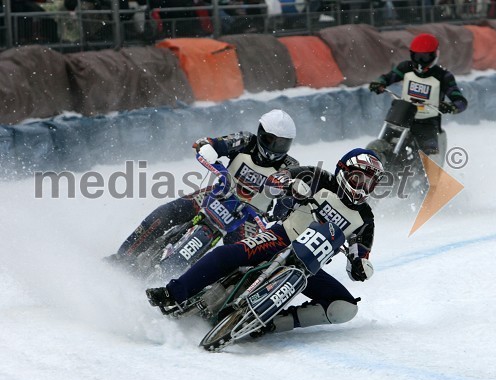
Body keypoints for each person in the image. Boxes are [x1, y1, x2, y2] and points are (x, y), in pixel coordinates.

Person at [146, 148, 384, 336]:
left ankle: (273, 324)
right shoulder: (318, 177)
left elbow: (359, 254)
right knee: (227, 255)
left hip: (308, 267)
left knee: (345, 307)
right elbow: (274, 181)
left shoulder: (365, 219)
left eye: (369, 183)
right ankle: (173, 293)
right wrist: (288, 185)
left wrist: (360, 267)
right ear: (343, 171)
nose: (362, 188)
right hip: (280, 239)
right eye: (358, 179)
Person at [106, 109, 299, 266]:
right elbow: (215, 143)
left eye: (282, 143)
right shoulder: (246, 140)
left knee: (243, 261)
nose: (275, 147)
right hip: (219, 195)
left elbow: (291, 199)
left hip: (250, 218)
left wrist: (284, 208)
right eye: (270, 140)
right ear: (260, 134)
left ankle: (205, 297)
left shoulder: (290, 167)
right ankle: (123, 257)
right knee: (164, 214)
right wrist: (208, 146)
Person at [368, 33, 468, 165]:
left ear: (435, 55)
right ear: (411, 55)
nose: (420, 62)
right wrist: (379, 83)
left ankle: (428, 182)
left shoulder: (443, 76)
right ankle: (371, 169)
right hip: (401, 117)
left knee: (430, 157)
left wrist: (451, 106)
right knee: (380, 146)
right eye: (417, 56)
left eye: (425, 57)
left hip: (427, 123)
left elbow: (460, 101)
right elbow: (387, 78)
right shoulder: (405, 67)